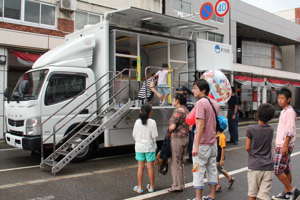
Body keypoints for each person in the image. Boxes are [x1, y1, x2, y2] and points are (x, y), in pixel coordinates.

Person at [191, 79, 219, 200]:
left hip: (202, 144)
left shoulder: (200, 103)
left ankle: (198, 198)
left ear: (203, 90)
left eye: (195, 88)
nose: (193, 90)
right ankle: (212, 196)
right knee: (212, 169)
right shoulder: (215, 103)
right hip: (213, 142)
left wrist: (196, 145)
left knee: (198, 171)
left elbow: (200, 125)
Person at [271, 88, 300, 200]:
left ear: (288, 99)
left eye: (282, 98)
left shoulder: (290, 112)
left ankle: (292, 190)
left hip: (285, 145)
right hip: (282, 145)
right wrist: (278, 145)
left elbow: (289, 129)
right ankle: (286, 193)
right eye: (279, 98)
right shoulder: (284, 111)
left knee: (277, 170)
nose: (280, 100)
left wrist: (284, 145)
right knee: (286, 169)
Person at [245, 103, 275, 200]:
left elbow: (247, 147)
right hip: (268, 166)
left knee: (252, 194)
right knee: (265, 195)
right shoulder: (271, 129)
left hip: (255, 165)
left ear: (257, 114)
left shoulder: (250, 129)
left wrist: (251, 154)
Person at [132, 104, 158, 194]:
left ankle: (139, 187)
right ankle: (152, 187)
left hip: (139, 147)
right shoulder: (152, 122)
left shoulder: (137, 122)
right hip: (150, 147)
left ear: (140, 111)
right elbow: (155, 136)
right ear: (151, 112)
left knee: (140, 167)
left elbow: (134, 135)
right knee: (150, 167)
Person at [168, 93, 189, 192]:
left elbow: (172, 127)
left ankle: (177, 185)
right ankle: (181, 184)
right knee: (180, 162)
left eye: (173, 99)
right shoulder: (186, 110)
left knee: (175, 162)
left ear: (177, 101)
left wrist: (169, 129)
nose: (173, 100)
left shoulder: (177, 111)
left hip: (177, 138)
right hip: (185, 138)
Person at [216, 116, 235, 192]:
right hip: (216, 156)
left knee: (215, 171)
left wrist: (221, 160)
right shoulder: (216, 135)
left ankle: (218, 185)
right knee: (220, 169)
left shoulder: (221, 137)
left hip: (219, 157)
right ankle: (230, 179)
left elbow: (223, 148)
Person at [176, 85, 194, 163]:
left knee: (182, 141)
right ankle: (192, 157)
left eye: (180, 90)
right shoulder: (189, 100)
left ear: (185, 92)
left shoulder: (183, 101)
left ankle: (181, 158)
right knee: (190, 140)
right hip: (190, 123)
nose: (179, 92)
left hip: (185, 124)